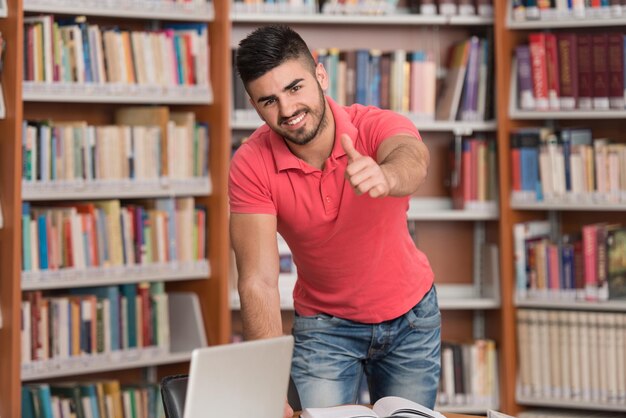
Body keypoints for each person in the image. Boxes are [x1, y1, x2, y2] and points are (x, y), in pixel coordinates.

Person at [229, 25, 441, 418]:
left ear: (321, 76)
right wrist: (268, 383)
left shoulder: (373, 124)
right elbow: (257, 281)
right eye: (269, 100)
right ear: (254, 104)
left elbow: (413, 157)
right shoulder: (250, 164)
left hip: (411, 318)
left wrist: (387, 176)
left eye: (295, 88)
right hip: (325, 330)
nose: (287, 110)